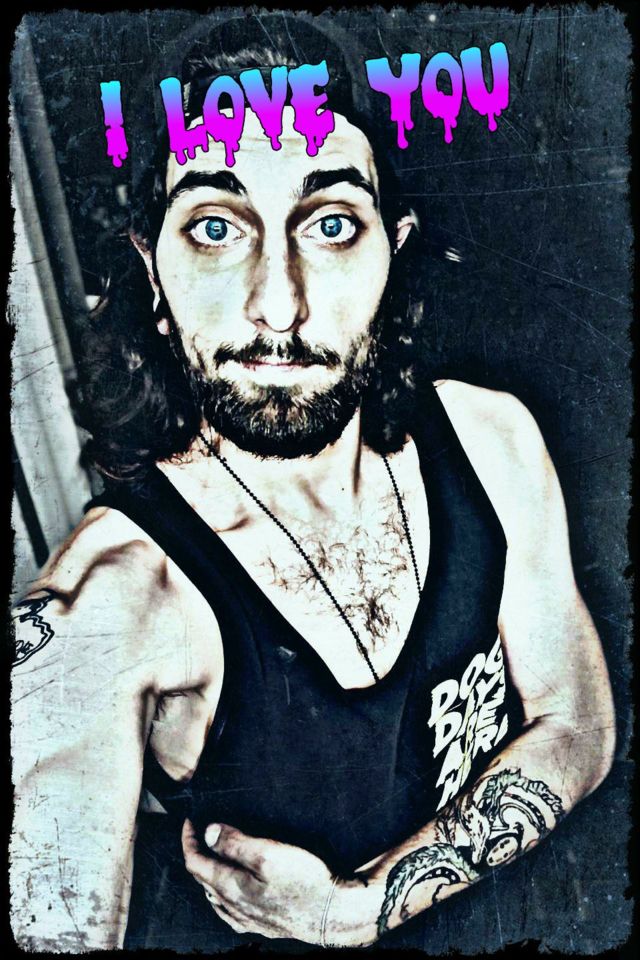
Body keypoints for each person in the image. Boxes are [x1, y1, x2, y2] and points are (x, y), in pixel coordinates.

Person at [10, 15, 616, 952]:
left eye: (330, 225)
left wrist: (360, 908)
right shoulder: (112, 604)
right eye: (215, 228)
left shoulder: (491, 440)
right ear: (153, 274)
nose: (278, 303)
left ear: (393, 251)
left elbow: (576, 721)